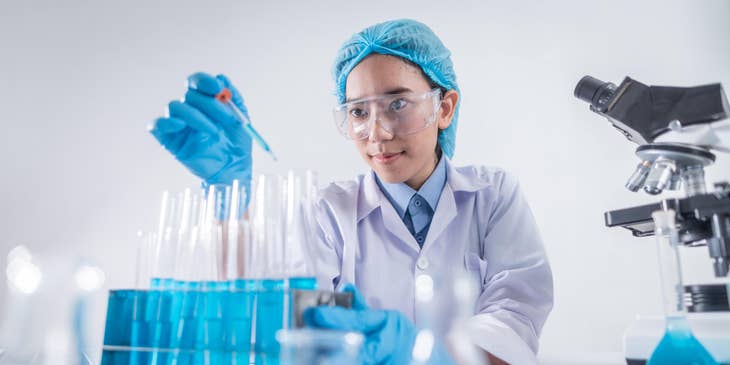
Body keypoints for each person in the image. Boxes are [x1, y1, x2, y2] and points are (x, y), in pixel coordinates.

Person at [150, 19, 553, 365]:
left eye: (397, 104)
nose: (377, 133)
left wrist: (423, 352)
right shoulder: (327, 211)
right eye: (359, 111)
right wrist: (230, 200)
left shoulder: (493, 194)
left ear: (443, 108)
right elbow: (281, 314)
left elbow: (514, 318)